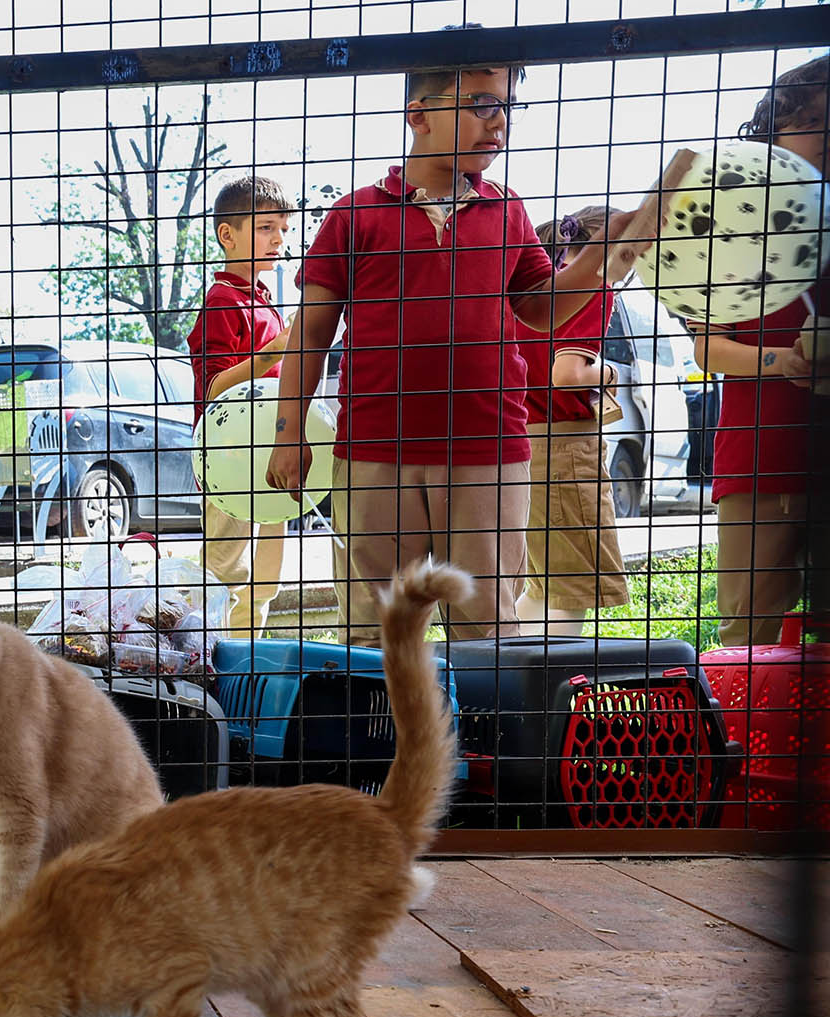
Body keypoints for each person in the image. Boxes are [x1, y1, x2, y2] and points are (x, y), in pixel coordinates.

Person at [268, 36, 662, 644]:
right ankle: (381, 743)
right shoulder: (355, 215)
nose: (499, 120)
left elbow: (541, 308)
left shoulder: (508, 212)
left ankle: (483, 743)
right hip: (375, 448)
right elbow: (310, 337)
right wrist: (289, 434)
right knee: (376, 634)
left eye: (507, 106)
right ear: (418, 114)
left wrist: (603, 257)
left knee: (488, 632)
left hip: (490, 452)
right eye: (480, 102)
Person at [687, 54, 826, 647]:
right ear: (773, 130)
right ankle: (750, 744)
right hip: (762, 457)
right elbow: (707, 349)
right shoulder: (733, 225)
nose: (825, 137)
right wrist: (783, 361)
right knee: (751, 643)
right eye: (814, 119)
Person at [513, 208, 629, 634]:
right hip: (564, 445)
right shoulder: (592, 285)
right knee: (573, 589)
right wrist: (612, 372)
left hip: (522, 440)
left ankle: (498, 680)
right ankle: (547, 692)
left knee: (543, 585)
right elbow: (567, 375)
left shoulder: (539, 283)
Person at [187, 175, 293, 638]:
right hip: (231, 460)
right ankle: (215, 660)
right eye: (267, 227)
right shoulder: (222, 302)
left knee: (266, 576)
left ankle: (248, 657)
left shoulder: (266, 302)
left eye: (284, 230)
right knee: (227, 573)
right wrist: (275, 352)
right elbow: (212, 387)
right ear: (227, 235)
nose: (279, 239)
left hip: (272, 456)